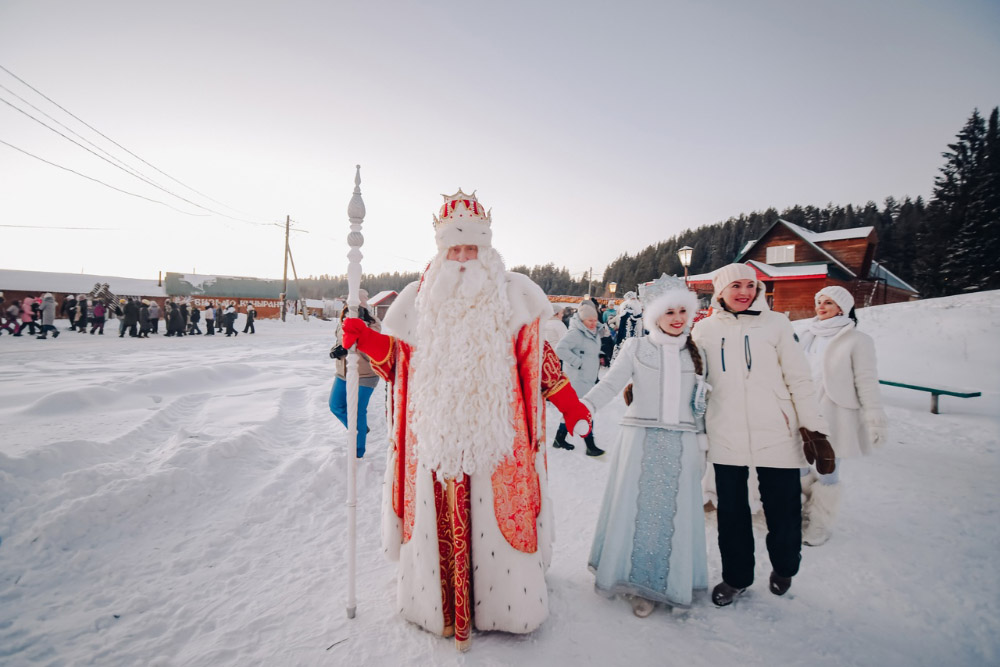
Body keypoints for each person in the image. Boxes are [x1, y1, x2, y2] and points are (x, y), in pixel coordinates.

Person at [341, 189, 592, 651]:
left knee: (499, 519)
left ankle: (505, 609)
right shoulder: (419, 297)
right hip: (434, 435)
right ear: (441, 249)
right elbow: (400, 359)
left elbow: (540, 360)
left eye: (471, 248)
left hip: (501, 438)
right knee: (438, 517)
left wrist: (572, 406)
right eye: (454, 248)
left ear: (486, 249)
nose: (462, 257)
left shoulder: (513, 293)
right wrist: (369, 341)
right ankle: (435, 606)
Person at [692, 263, 833, 606]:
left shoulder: (777, 325)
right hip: (726, 434)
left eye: (750, 285)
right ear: (720, 291)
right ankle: (736, 578)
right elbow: (688, 377)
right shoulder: (704, 331)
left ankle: (785, 567)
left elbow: (799, 379)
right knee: (732, 514)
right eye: (735, 286)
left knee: (784, 511)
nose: (744, 292)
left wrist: (815, 429)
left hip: (777, 433)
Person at [582, 275, 708, 616]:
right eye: (669, 312)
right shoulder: (637, 348)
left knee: (672, 518)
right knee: (638, 514)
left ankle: (669, 582)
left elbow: (700, 405)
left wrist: (702, 442)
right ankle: (639, 583)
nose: (677, 317)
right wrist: (584, 408)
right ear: (655, 316)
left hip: (681, 445)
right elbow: (610, 384)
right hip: (640, 440)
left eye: (683, 310)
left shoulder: (695, 354)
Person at [798, 286, 887, 546]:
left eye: (828, 302)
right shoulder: (806, 335)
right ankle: (804, 510)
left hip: (834, 412)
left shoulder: (857, 340)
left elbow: (866, 380)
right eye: (818, 301)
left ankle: (820, 522)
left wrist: (874, 417)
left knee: (828, 467)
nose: (821, 306)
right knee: (797, 464)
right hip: (803, 410)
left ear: (842, 308)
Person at [328, 292, 380, 458]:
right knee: (335, 405)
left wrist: (358, 333)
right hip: (343, 372)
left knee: (357, 411)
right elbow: (339, 340)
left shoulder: (373, 322)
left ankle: (358, 453)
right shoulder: (344, 318)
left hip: (365, 374)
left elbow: (372, 348)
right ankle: (360, 429)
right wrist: (336, 350)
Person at [554, 302, 605, 456]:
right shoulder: (575, 333)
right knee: (586, 409)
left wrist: (600, 356)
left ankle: (559, 438)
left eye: (595, 320)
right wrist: (578, 363)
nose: (593, 323)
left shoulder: (592, 332)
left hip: (588, 378)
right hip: (578, 379)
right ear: (582, 320)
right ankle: (590, 445)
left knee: (573, 410)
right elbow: (560, 349)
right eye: (590, 320)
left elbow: (588, 350)